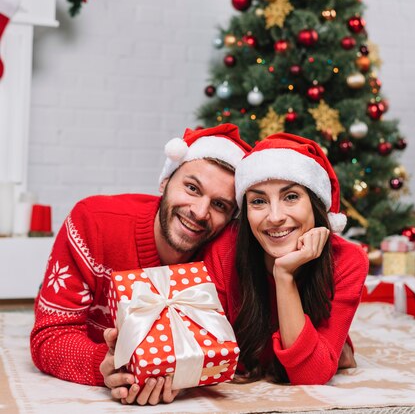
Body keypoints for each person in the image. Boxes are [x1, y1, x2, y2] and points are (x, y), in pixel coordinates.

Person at [30, 123, 251, 405]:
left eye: (220, 205)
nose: (199, 212)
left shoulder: (223, 256)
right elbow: (49, 336)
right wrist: (107, 364)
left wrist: (186, 374)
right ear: (165, 182)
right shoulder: (93, 222)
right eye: (192, 188)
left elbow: (237, 350)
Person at [203, 132, 369, 385]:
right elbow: (217, 356)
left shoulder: (346, 259)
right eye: (258, 201)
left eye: (291, 197)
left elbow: (310, 376)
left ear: (315, 203)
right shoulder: (224, 249)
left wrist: (284, 276)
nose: (275, 216)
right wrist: (324, 353)